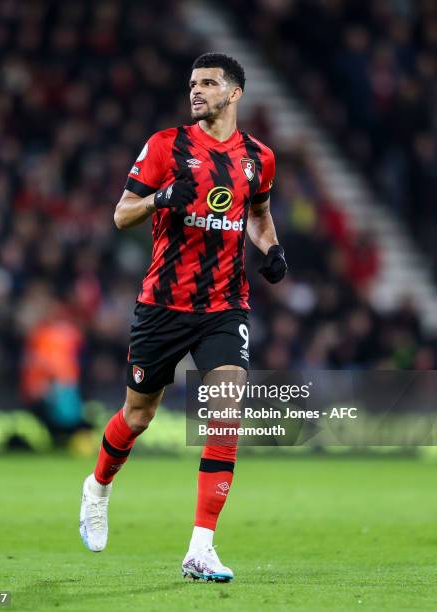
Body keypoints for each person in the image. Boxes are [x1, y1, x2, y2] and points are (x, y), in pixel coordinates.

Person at [79, 52, 287, 582]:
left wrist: (273, 249)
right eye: (193, 83)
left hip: (224, 305)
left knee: (225, 413)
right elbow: (121, 214)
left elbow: (258, 216)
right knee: (138, 416)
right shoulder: (165, 145)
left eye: (209, 83)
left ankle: (201, 547)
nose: (197, 91)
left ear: (234, 93)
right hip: (162, 305)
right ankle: (98, 486)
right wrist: (160, 198)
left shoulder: (258, 157)